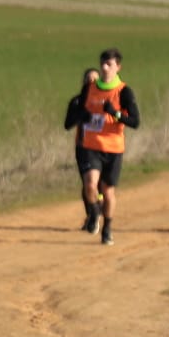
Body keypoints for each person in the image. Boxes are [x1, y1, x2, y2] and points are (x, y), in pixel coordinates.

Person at [79, 48, 140, 246]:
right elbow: (79, 110)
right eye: (102, 64)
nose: (105, 68)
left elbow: (135, 122)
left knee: (108, 192)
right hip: (91, 145)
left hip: (114, 148)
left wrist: (116, 113)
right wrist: (85, 116)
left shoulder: (123, 91)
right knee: (90, 184)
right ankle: (95, 211)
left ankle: (107, 227)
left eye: (109, 65)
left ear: (117, 67)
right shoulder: (90, 88)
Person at [63, 67, 102, 231]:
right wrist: (80, 115)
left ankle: (97, 213)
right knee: (88, 185)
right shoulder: (77, 101)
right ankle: (92, 215)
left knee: (100, 185)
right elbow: (67, 125)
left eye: (95, 79)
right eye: (88, 79)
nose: (91, 82)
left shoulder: (104, 100)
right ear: (83, 82)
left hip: (103, 147)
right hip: (83, 147)